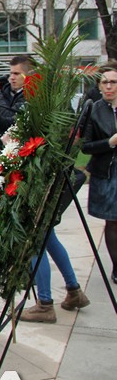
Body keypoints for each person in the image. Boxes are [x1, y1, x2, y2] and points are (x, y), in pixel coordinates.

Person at [82, 65, 117, 284]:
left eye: (113, 82)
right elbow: (85, 146)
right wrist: (109, 142)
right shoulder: (94, 110)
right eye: (105, 82)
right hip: (107, 173)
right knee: (113, 222)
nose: (109, 86)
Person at [0, 55, 31, 137]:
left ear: (29, 75)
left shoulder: (32, 96)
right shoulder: (5, 91)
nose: (12, 77)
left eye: (16, 74)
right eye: (11, 73)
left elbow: (8, 118)